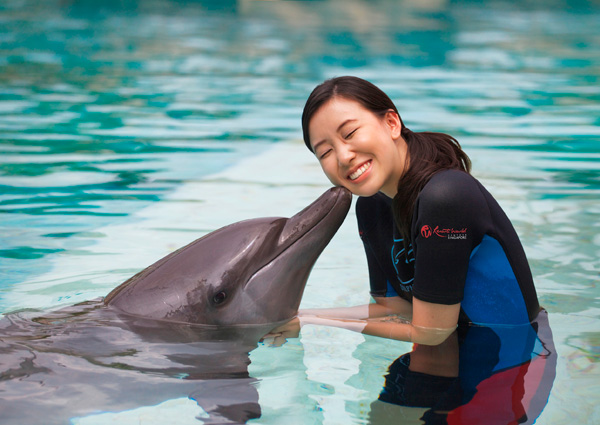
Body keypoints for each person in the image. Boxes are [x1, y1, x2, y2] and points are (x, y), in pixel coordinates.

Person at [267, 76, 540, 347]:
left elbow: (431, 331)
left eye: (350, 134)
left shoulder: (445, 196)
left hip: (513, 361)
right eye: (325, 152)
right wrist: (300, 316)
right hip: (452, 352)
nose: (343, 157)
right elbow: (395, 309)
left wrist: (312, 322)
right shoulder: (372, 206)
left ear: (391, 123)